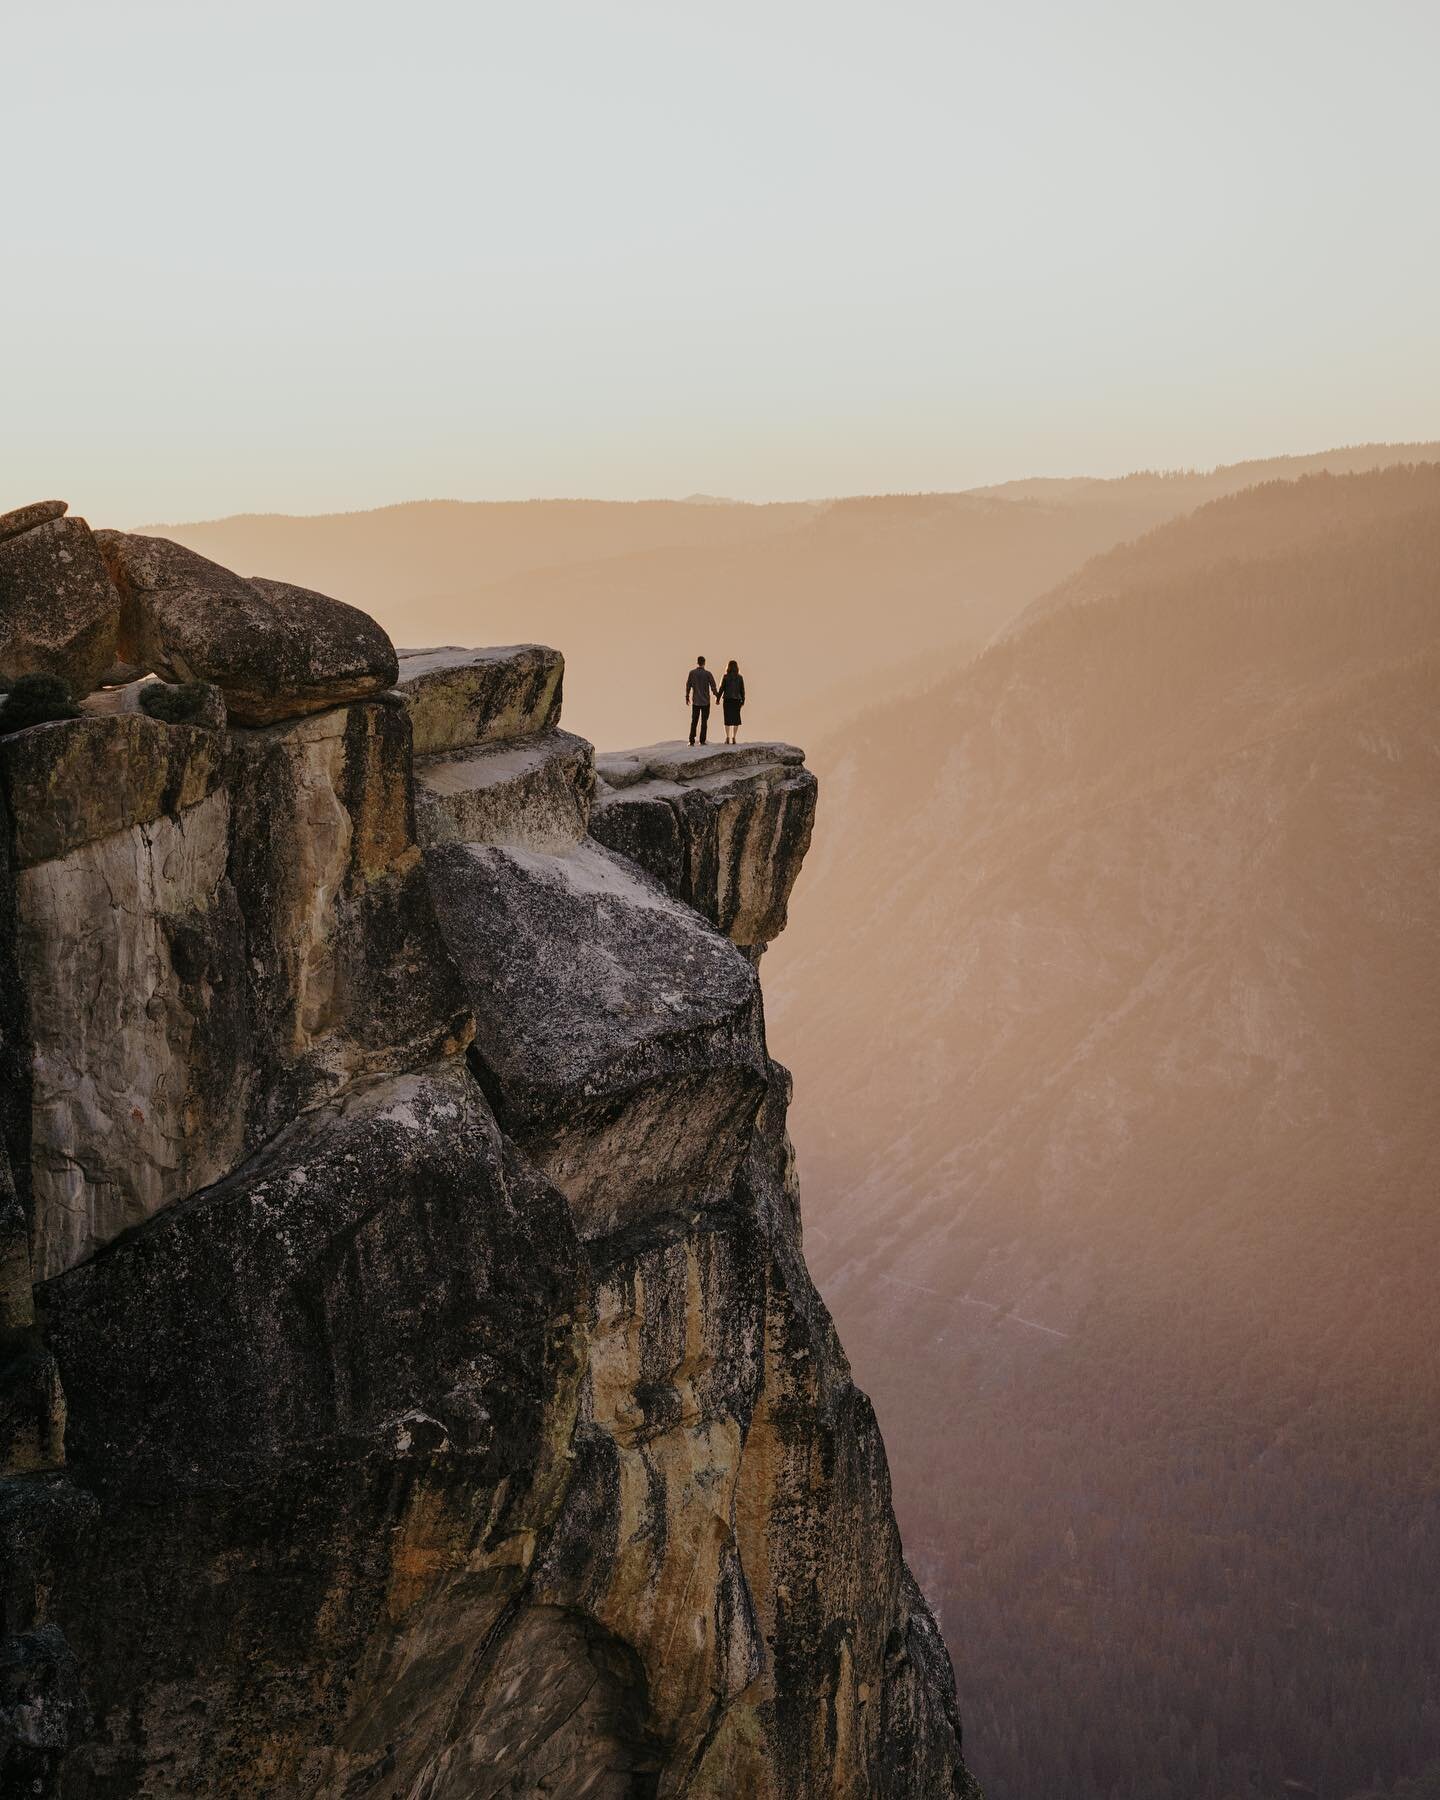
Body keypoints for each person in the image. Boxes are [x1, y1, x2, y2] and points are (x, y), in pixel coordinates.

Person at [685, 655, 718, 744]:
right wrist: (717, 696)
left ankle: (691, 740)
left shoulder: (692, 673)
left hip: (696, 701)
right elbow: (713, 686)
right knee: (704, 722)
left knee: (694, 721)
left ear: (697, 662)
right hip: (705, 702)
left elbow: (688, 686)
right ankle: (702, 741)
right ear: (704, 663)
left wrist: (687, 697)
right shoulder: (708, 674)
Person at [717, 659, 745, 744]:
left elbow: (721, 689)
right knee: (736, 719)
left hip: (727, 700)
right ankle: (734, 737)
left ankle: (727, 737)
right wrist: (743, 700)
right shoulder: (740, 677)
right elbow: (742, 690)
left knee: (727, 719)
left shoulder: (725, 677)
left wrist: (718, 699)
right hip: (737, 700)